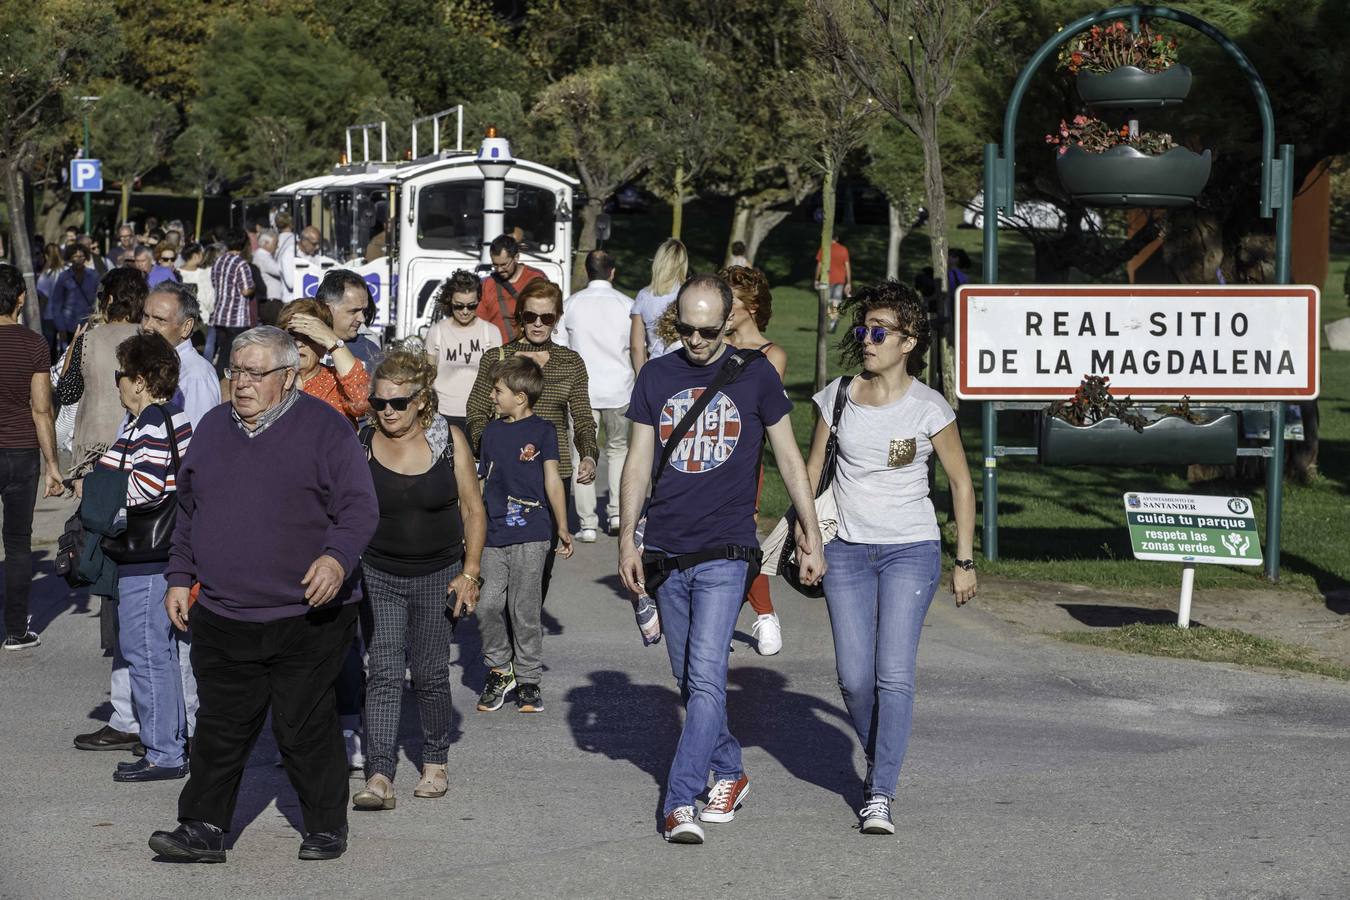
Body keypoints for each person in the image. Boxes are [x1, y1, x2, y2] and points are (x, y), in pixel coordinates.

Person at [147, 326, 378, 864]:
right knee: (220, 725)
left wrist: (335, 557)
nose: (242, 382)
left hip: (309, 613)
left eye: (256, 373)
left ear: (289, 376)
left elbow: (360, 508)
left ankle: (324, 825)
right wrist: (179, 575)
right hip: (225, 611)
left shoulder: (326, 429)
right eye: (236, 370)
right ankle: (202, 828)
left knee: (302, 723)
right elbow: (189, 512)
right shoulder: (210, 428)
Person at [617, 274, 825, 844]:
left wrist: (811, 533)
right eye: (686, 328)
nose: (697, 339)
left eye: (708, 329)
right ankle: (729, 769)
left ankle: (679, 800)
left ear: (729, 320)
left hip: (728, 551)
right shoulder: (656, 376)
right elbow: (636, 463)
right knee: (690, 679)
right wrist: (626, 538)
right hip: (664, 549)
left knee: (708, 676)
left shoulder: (755, 374)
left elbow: (789, 458)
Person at [806, 280, 976, 836]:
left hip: (911, 548)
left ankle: (879, 791)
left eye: (881, 331)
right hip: (846, 549)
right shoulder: (836, 396)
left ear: (909, 342)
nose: (869, 339)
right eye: (864, 329)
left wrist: (965, 559)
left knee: (893, 674)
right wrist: (809, 539)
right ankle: (884, 752)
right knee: (854, 677)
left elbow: (960, 483)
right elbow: (810, 473)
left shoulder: (929, 407)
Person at [350, 348, 486, 810]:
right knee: (383, 672)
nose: (387, 412)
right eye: (380, 403)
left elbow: (473, 509)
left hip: (439, 574)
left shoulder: (449, 439)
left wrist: (470, 572)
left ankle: (434, 760)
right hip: (379, 573)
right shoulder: (363, 440)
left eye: (398, 403)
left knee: (429, 673)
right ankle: (379, 774)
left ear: (421, 400)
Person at [92, 333, 194, 782]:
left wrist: (100, 494)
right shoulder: (168, 417)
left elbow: (147, 488)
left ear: (139, 381)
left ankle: (163, 753)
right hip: (159, 554)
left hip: (148, 556)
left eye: (120, 376)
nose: (116, 384)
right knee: (159, 652)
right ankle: (168, 744)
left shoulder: (153, 421)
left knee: (146, 652)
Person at [465, 279, 598, 583]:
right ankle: (507, 625)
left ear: (557, 319)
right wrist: (486, 445)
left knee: (540, 568)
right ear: (520, 317)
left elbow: (582, 416)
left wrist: (589, 455)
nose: (538, 324)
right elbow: (475, 411)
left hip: (553, 471)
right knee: (499, 561)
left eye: (547, 318)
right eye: (530, 317)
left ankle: (524, 625)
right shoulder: (498, 358)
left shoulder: (571, 362)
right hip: (504, 475)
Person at [473, 356, 573, 715]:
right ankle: (500, 669)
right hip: (494, 532)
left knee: (524, 608)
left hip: (533, 533)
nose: (491, 396)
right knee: (486, 604)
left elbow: (553, 480)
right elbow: (483, 480)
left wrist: (562, 525)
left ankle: (529, 679)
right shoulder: (491, 432)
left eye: (497, 391)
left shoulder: (544, 430)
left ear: (520, 396)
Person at [719, 265, 789, 656]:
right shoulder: (713, 347)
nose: (726, 307)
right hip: (708, 454)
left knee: (742, 537)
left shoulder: (771, 354)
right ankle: (721, 617)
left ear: (753, 306)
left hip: (745, 460)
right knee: (711, 538)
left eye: (734, 300)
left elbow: (760, 409)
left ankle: (764, 613)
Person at [0, 265, 63, 651]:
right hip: (21, 452)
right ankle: (15, 630)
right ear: (20, 299)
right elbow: (42, 410)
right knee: (19, 542)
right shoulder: (34, 343)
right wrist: (53, 465)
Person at [558, 249, 632, 541]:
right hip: (618, 388)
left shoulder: (572, 305)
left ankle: (587, 522)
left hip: (582, 391)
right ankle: (615, 512)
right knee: (618, 451)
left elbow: (562, 350)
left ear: (587, 271)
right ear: (612, 272)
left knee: (582, 453)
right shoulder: (627, 305)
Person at [61, 268, 145, 477]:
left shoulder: (87, 340)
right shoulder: (150, 339)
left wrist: (73, 346)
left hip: (95, 446)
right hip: (140, 441)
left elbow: (67, 392)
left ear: (108, 299)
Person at [423, 270, 501, 434]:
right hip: (444, 414)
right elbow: (428, 377)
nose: (465, 311)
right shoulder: (437, 332)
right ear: (449, 301)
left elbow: (497, 377)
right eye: (459, 305)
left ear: (478, 301)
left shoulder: (491, 332)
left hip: (480, 415)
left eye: (471, 306)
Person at [277, 299, 370, 427]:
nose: (299, 344)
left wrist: (332, 340)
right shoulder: (268, 379)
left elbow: (362, 403)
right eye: (292, 336)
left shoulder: (335, 382)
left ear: (324, 344)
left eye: (309, 337)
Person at [630, 238, 688, 370]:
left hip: (656, 366)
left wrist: (641, 377)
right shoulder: (689, 292)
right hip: (684, 365)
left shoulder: (643, 296)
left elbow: (636, 346)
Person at [478, 233, 546, 344]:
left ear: (516, 257)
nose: (499, 270)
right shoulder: (486, 285)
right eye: (495, 265)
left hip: (530, 354)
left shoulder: (536, 279)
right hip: (498, 355)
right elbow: (480, 325)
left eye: (504, 264)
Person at [207, 230, 256, 374]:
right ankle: (221, 386)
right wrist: (253, 288)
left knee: (222, 353)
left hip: (219, 315)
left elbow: (215, 283)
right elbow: (246, 290)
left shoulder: (218, 261)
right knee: (229, 359)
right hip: (236, 318)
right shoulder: (241, 264)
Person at [316, 269, 381, 371]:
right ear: (327, 309)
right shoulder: (301, 345)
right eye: (353, 311)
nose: (362, 319)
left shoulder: (369, 351)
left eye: (363, 311)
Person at [51, 243, 100, 349]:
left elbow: (99, 298)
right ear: (70, 258)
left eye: (81, 256)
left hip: (88, 325)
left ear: (86, 257)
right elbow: (56, 303)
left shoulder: (94, 275)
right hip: (69, 326)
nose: (78, 259)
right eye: (75, 256)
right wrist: (61, 328)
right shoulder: (63, 277)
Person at [815, 236, 852, 333]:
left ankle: (832, 318)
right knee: (836, 301)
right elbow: (847, 267)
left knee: (825, 302)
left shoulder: (824, 249)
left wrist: (816, 279)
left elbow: (819, 265)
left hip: (827, 279)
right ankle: (834, 320)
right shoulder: (844, 250)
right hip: (840, 279)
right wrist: (848, 282)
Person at [178, 242, 215, 326]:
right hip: (202, 319)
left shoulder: (176, 272)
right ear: (195, 256)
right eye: (201, 254)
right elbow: (210, 298)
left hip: (181, 319)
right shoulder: (204, 274)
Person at [35, 242, 63, 355]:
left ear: (46, 255)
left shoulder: (45, 275)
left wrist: (39, 317)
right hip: (65, 315)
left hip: (49, 316)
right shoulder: (67, 271)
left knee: (49, 349)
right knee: (65, 348)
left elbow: (44, 298)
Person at [253, 227, 285, 300]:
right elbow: (279, 271)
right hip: (271, 298)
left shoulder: (264, 255)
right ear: (266, 243)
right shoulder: (262, 256)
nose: (277, 246)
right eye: (275, 243)